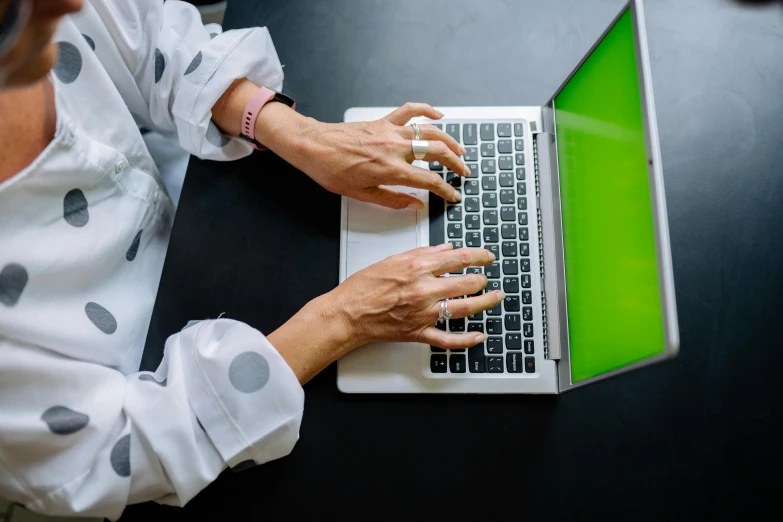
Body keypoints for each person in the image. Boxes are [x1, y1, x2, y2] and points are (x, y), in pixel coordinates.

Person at [0, 0, 503, 518]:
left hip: (194, 217)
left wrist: (300, 134)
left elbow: (148, 38)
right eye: (10, 15)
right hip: (155, 401)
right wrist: (344, 319)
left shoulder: (45, 9)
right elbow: (115, 450)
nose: (68, 5)